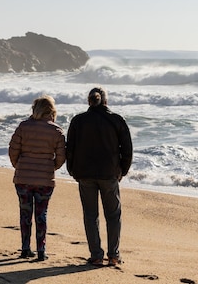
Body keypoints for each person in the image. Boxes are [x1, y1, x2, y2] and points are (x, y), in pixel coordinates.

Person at [66, 86, 133, 267]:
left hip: (85, 174)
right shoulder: (116, 120)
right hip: (109, 173)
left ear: (89, 101)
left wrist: (72, 170)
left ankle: (96, 255)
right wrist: (122, 171)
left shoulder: (78, 120)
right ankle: (113, 255)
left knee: (90, 215)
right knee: (113, 215)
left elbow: (69, 149)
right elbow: (127, 150)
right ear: (105, 101)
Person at [8, 95, 66, 261]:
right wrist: (51, 167)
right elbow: (61, 156)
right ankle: (41, 250)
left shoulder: (23, 127)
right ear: (52, 111)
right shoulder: (56, 131)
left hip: (23, 178)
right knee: (41, 214)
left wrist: (19, 165)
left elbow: (13, 150)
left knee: (25, 213)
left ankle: (25, 248)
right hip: (45, 179)